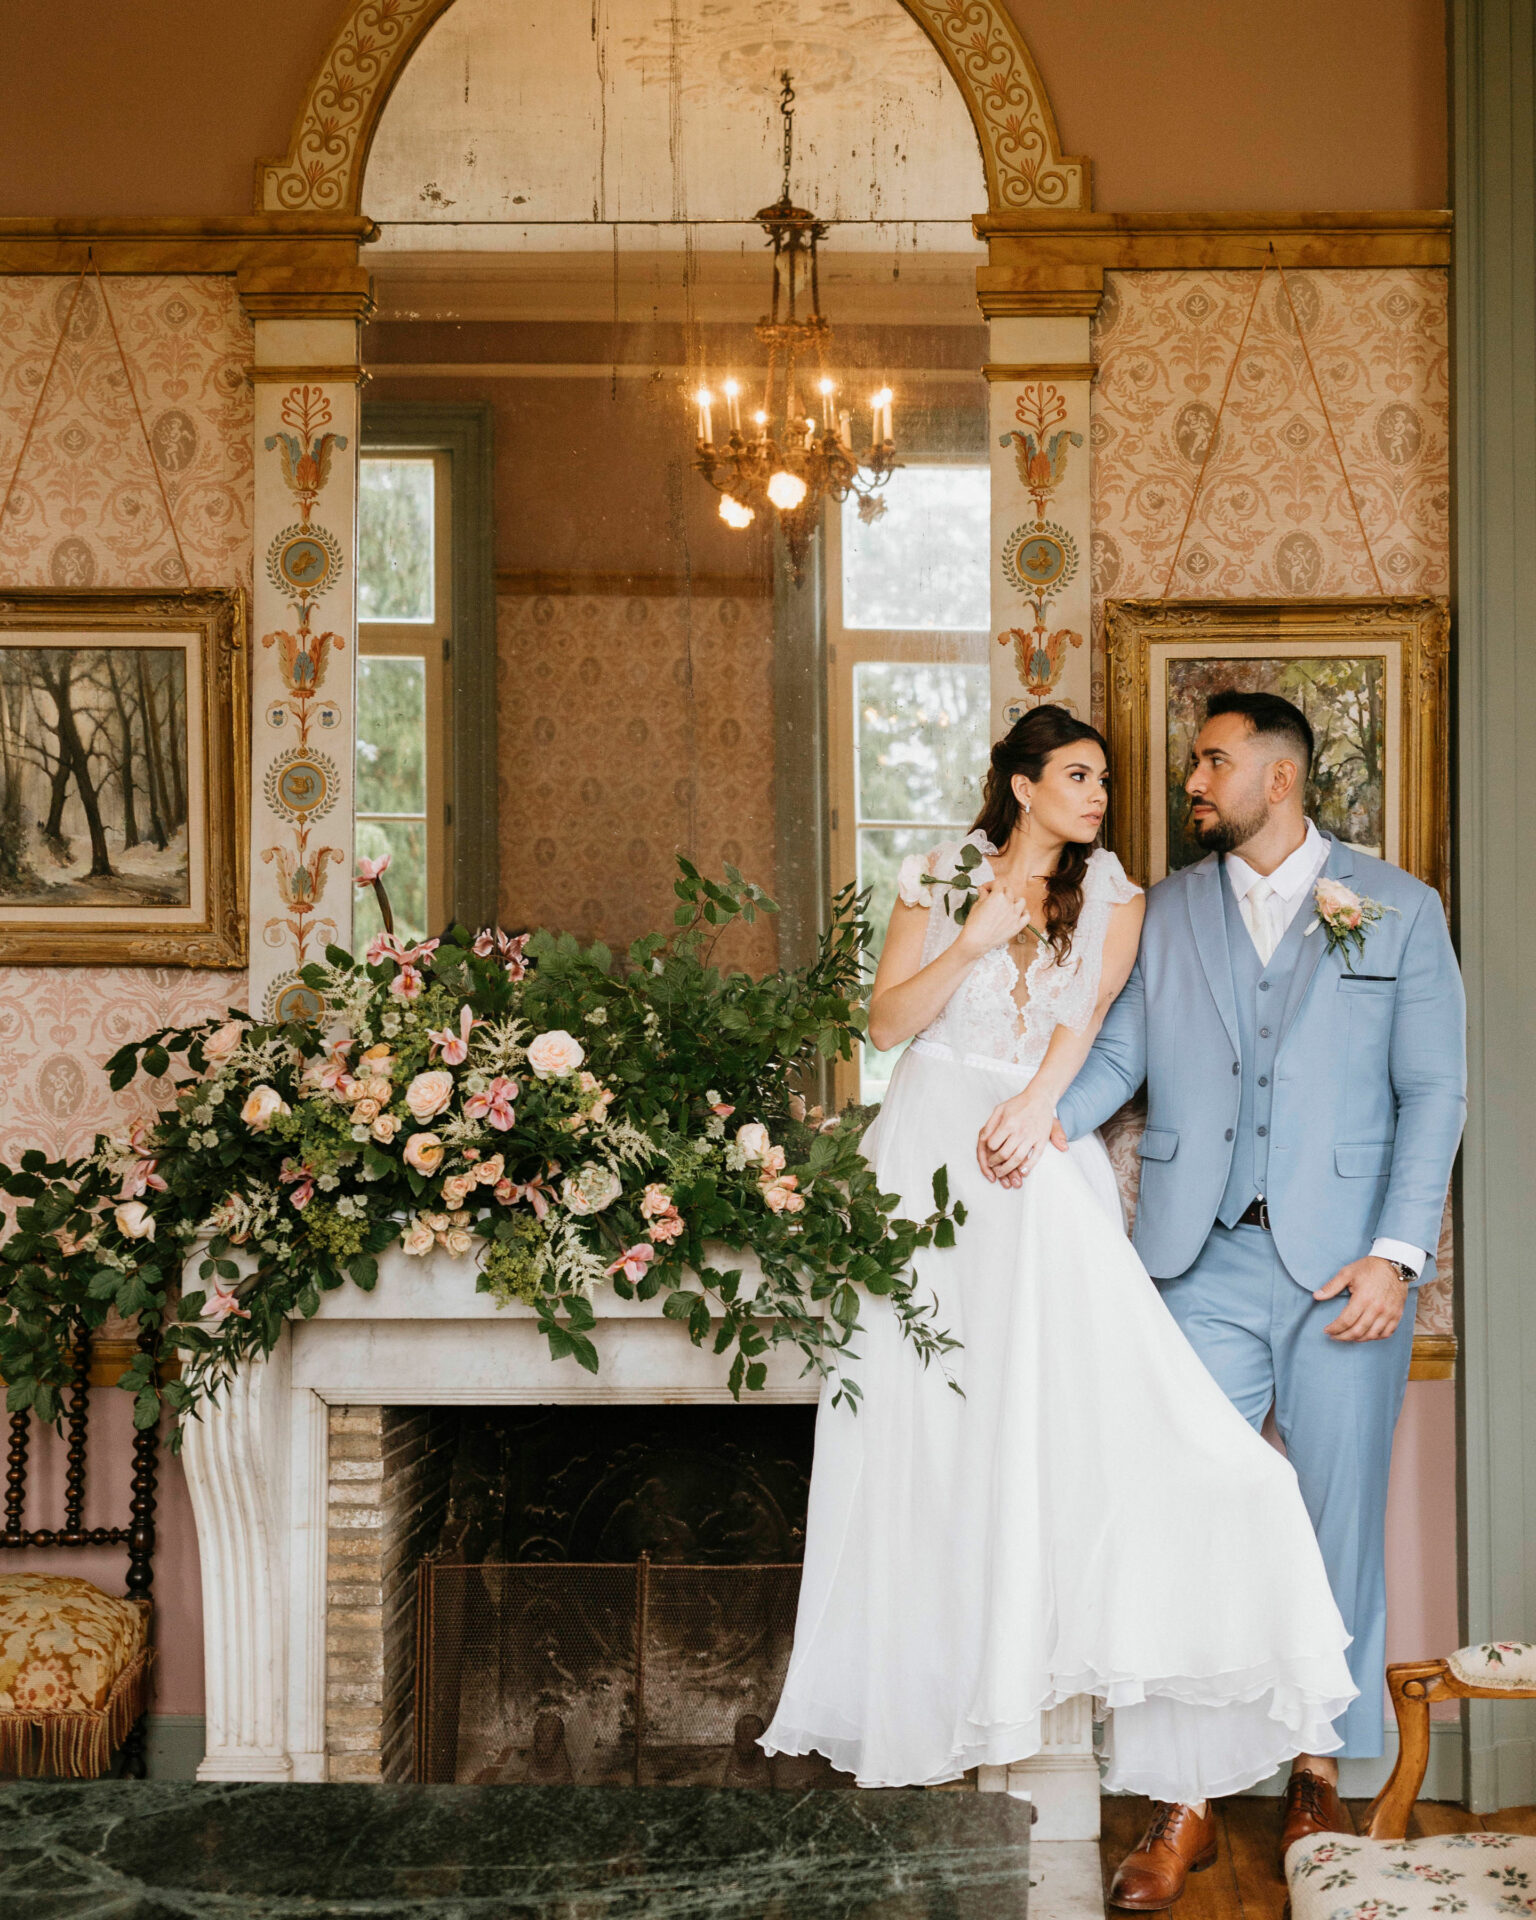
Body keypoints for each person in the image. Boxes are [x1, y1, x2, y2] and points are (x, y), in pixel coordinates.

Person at [760, 704, 1357, 1909]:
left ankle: (1172, 1695)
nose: (1099, 796)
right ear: (1022, 786)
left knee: (1112, 1424)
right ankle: (935, 1711)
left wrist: (1038, 1111)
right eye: (1078, 776)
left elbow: (1084, 1030)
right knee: (929, 1429)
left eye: (1105, 779)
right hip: (925, 1158)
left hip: (1032, 1160)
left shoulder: (1119, 897)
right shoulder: (940, 877)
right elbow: (886, 1026)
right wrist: (974, 940)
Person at [1053, 691, 1466, 1898]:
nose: (1193, 779)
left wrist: (1397, 1253)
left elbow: (1433, 1093)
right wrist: (1032, 1128)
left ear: (1278, 779)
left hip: (1348, 1268)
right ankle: (1182, 1800)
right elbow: (1123, 1054)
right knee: (1187, 1516)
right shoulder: (1168, 910)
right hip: (1198, 1257)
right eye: (1195, 761)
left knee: (1337, 1524)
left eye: (1213, 760)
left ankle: (1316, 1774)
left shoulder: (1400, 907)